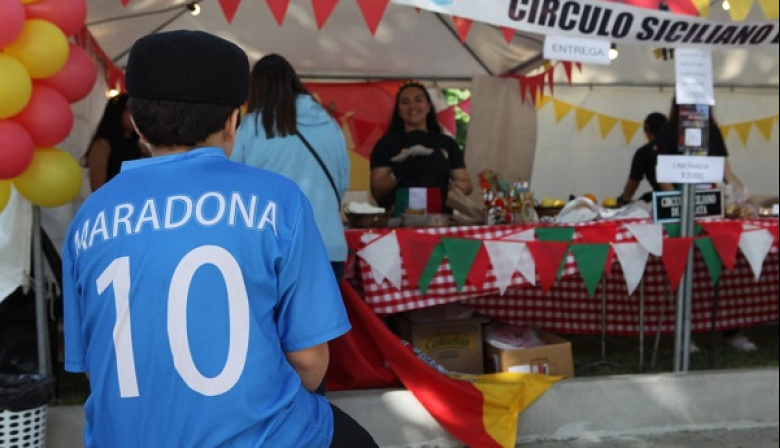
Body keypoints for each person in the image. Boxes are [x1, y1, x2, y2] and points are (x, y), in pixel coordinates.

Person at [61, 30, 378, 448]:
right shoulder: (279, 201)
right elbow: (309, 361)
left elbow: (91, 365)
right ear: (233, 121)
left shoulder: (89, 218)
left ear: (136, 122)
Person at [231, 54, 349, 282]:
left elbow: (236, 189)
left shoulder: (251, 126)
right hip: (329, 245)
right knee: (323, 318)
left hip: (272, 248)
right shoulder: (329, 123)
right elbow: (342, 184)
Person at [656, 99, 756, 353]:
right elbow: (664, 176)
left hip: (713, 205)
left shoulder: (712, 131)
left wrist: (747, 197)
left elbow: (727, 173)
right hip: (681, 207)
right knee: (683, 269)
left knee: (718, 270)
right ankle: (684, 333)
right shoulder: (669, 130)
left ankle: (729, 329)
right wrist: (679, 206)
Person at [370, 81, 473, 214]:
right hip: (398, 223)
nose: (413, 106)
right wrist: (400, 170)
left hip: (439, 221)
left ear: (429, 107)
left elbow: (467, 185)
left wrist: (460, 186)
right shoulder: (385, 144)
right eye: (405, 102)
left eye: (418, 100)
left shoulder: (447, 143)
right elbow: (377, 191)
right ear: (399, 111)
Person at [81, 93, 149, 191]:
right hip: (113, 201)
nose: (135, 117)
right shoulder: (102, 145)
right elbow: (97, 189)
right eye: (130, 111)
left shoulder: (138, 145)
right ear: (117, 112)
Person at [618, 112, 667, 205]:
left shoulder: (644, 152)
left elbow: (632, 184)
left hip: (663, 204)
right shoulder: (679, 148)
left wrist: (622, 201)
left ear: (647, 130)